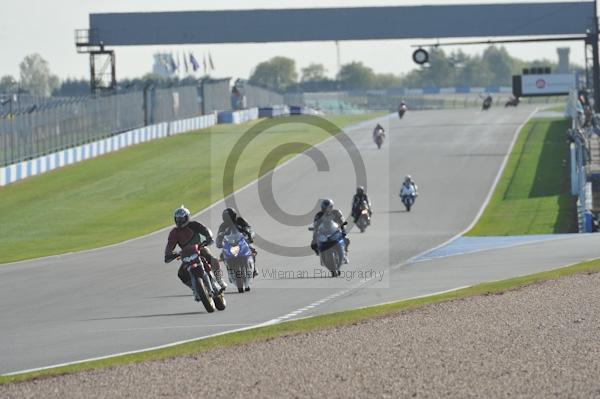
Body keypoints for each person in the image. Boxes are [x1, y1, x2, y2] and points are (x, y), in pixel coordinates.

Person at [164, 206, 227, 294]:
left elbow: (205, 230)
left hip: (200, 248)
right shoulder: (174, 232)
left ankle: (219, 279)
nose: (179, 221)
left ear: (187, 217)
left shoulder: (194, 225)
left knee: (212, 259)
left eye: (182, 218)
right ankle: (194, 288)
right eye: (177, 219)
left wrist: (209, 238)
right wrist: (168, 254)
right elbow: (170, 245)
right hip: (187, 254)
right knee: (181, 273)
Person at [216, 208, 258, 277]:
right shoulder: (223, 226)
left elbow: (248, 228)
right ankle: (229, 270)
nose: (229, 220)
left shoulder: (240, 220)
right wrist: (219, 242)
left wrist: (250, 235)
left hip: (241, 241)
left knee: (252, 249)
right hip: (230, 244)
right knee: (222, 255)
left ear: (234, 216)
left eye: (230, 217)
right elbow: (219, 235)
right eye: (227, 218)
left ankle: (254, 268)